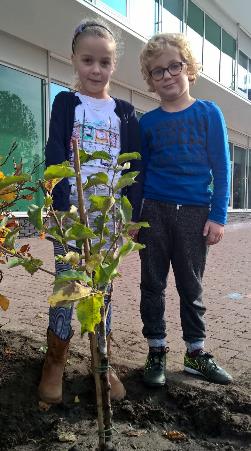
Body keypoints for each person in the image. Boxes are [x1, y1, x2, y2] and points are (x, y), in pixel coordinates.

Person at [38, 18, 142, 404]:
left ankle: (101, 361)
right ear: (74, 61)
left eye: (104, 62)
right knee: (67, 289)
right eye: (87, 61)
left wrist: (130, 217)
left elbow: (134, 168)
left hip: (108, 220)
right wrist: (63, 211)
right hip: (70, 218)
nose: (96, 70)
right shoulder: (66, 103)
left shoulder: (126, 112)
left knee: (103, 290)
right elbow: (54, 156)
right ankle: (55, 361)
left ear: (114, 65)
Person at [138, 32, 232, 387]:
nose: (167, 76)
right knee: (152, 283)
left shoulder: (210, 113)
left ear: (188, 67)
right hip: (155, 212)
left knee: (191, 286)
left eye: (174, 66)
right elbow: (140, 175)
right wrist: (135, 219)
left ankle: (195, 354)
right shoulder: (147, 123)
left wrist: (218, 215)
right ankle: (156, 350)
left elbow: (223, 168)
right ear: (150, 79)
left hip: (195, 212)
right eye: (158, 71)